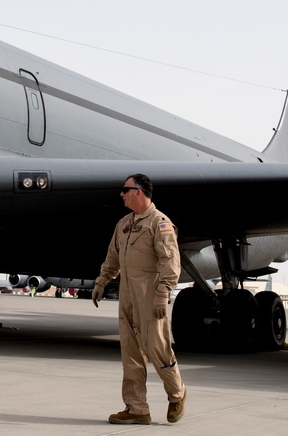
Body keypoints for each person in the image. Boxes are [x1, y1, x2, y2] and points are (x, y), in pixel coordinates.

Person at [92, 173, 187, 425]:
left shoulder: (160, 223)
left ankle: (177, 393)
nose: (121, 194)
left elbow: (170, 261)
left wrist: (162, 293)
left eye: (125, 189)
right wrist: (102, 281)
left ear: (139, 192)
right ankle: (136, 408)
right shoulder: (123, 224)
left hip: (150, 295)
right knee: (130, 353)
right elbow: (113, 258)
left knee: (157, 347)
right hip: (128, 296)